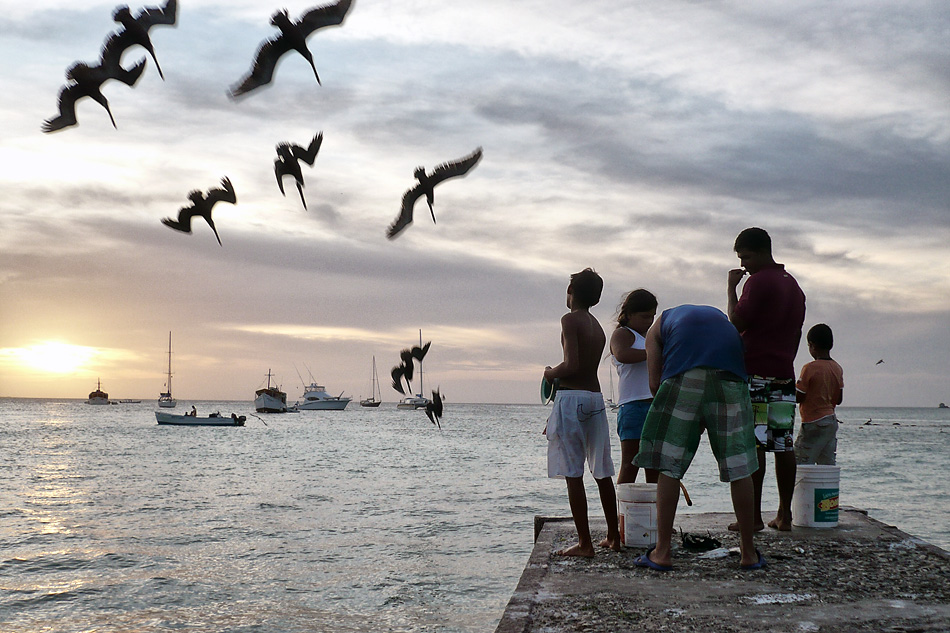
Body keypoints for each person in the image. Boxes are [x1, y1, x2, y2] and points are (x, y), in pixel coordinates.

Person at [633, 304, 763, 570]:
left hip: (685, 374)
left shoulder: (656, 329)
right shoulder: (720, 321)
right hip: (731, 375)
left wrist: (685, 425)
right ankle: (748, 553)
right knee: (739, 465)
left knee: (669, 464)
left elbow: (655, 384)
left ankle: (662, 552)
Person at [727, 227, 805, 532]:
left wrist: (731, 289)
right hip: (784, 374)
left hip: (756, 374)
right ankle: (785, 515)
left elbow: (736, 322)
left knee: (755, 445)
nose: (743, 265)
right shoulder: (793, 285)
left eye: (745, 257)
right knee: (783, 444)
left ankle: (753, 517)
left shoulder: (758, 282)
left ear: (761, 252)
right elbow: (796, 333)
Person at [544, 268, 622, 556]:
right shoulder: (597, 326)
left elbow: (572, 365)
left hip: (571, 397)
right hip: (595, 398)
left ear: (571, 292)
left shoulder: (569, 319)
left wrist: (550, 372)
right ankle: (613, 536)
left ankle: (585, 543)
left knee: (573, 473)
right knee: (602, 471)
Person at [609, 289, 659, 485]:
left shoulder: (651, 338)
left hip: (655, 405)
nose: (649, 321)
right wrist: (653, 351)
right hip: (633, 406)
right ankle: (623, 504)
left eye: (652, 317)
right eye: (645, 316)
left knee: (654, 465)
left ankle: (653, 505)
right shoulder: (622, 333)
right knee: (630, 464)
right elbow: (622, 354)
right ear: (629, 314)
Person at [795, 324, 844, 465]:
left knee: (800, 462)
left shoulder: (809, 368)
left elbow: (799, 396)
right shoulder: (837, 368)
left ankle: (801, 481)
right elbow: (839, 399)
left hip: (812, 422)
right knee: (827, 463)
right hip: (830, 421)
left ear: (812, 345)